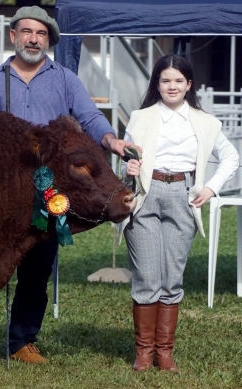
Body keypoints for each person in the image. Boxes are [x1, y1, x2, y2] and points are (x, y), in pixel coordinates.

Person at [0, 5, 138, 367]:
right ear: (13, 36)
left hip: (50, 191)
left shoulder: (65, 78)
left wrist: (111, 140)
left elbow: (89, 116)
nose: (33, 39)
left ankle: (22, 341)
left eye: (40, 34)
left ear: (48, 40)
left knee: (36, 271)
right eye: (26, 32)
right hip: (3, 194)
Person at [122, 54, 239, 372]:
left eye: (178, 80)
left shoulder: (206, 122)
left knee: (172, 279)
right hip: (146, 195)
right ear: (156, 84)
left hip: (182, 197)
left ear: (189, 84)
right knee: (147, 277)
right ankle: (144, 352)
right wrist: (129, 165)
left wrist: (211, 187)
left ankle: (165, 352)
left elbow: (231, 157)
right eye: (165, 80)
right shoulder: (140, 117)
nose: (171, 86)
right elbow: (126, 160)